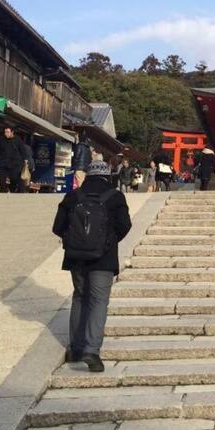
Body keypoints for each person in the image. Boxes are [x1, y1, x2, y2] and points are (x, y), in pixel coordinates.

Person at [52, 160, 131, 373]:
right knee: (98, 301)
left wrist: (75, 240)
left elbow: (57, 227)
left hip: (76, 257)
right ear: (107, 175)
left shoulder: (73, 196)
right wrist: (108, 240)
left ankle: (75, 348)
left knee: (80, 296)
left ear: (87, 175)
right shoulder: (115, 197)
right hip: (103, 259)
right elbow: (125, 225)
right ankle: (92, 350)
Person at [0, 127, 29, 193]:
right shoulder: (1, 139)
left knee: (14, 179)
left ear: (12, 132)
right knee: (1, 180)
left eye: (7, 132)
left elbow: (22, 150)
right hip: (3, 163)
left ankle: (13, 191)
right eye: (5, 132)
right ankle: (3, 193)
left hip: (15, 164)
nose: (5, 133)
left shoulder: (18, 140)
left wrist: (25, 159)